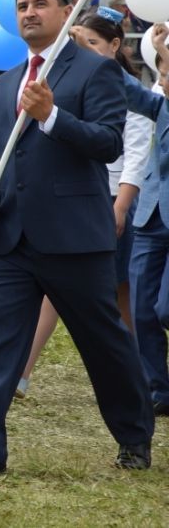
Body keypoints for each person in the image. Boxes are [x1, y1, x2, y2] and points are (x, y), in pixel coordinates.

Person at [0, 0, 154, 475]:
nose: (29, 13)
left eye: (40, 4)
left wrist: (53, 116)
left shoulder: (95, 71)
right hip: (11, 239)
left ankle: (134, 436)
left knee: (104, 343)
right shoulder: (9, 79)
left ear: (64, 9)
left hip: (75, 238)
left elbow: (108, 142)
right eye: (23, 7)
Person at [9, 8, 152, 397]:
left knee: (117, 297)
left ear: (115, 46)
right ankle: (21, 372)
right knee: (55, 294)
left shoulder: (125, 87)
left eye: (92, 43)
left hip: (112, 200)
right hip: (66, 199)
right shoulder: (66, 79)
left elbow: (133, 152)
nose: (83, 50)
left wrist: (121, 206)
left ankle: (139, 374)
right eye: (78, 43)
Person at [123, 22, 169, 419]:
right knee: (141, 308)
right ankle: (157, 390)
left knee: (165, 308)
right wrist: (95, 57)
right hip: (151, 214)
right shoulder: (161, 101)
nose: (162, 80)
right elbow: (131, 92)